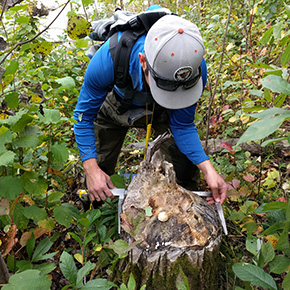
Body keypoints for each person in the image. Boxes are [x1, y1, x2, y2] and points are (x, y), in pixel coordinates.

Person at [73, 10, 228, 206]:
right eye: (166, 86)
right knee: (98, 166)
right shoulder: (109, 57)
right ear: (143, 61)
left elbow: (182, 125)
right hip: (117, 105)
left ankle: (185, 208)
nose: (174, 93)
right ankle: (92, 214)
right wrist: (91, 168)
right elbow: (83, 117)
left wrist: (208, 169)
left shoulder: (194, 67)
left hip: (163, 111)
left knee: (183, 168)